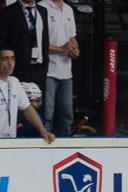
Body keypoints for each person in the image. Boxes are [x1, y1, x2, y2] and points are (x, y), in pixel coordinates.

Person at [40, 0, 78, 137]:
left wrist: (75, 50)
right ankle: (44, 143)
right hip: (48, 71)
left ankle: (66, 144)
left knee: (67, 114)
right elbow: (38, 41)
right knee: (47, 114)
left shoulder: (68, 9)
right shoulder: (42, 6)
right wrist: (60, 49)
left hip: (66, 72)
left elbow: (72, 38)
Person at [0, 47, 54, 141]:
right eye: (5, 59)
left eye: (12, 59)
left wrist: (43, 131)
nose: (10, 63)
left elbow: (28, 109)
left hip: (10, 142)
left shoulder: (14, 82)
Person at [0, 0, 50, 93]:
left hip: (39, 68)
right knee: (18, 100)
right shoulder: (8, 12)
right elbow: (3, 42)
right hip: (18, 69)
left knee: (38, 100)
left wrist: (45, 65)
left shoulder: (43, 11)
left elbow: (45, 39)